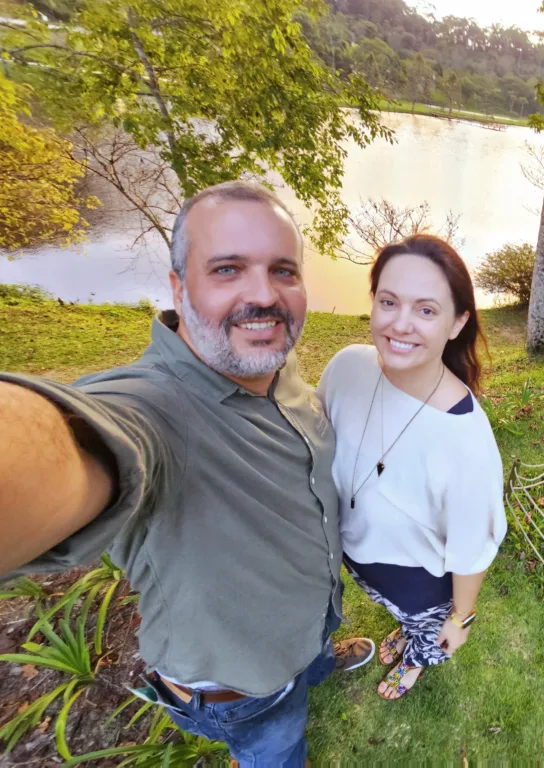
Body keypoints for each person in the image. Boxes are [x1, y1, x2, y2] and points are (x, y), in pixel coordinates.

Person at [0, 181, 374, 766]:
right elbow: (58, 449)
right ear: (178, 286)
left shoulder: (275, 363)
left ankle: (319, 658)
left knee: (313, 654)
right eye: (227, 269)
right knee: (279, 748)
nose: (264, 295)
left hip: (308, 617)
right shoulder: (152, 409)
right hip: (246, 693)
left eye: (284, 271)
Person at [317, 234, 507, 700]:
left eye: (426, 310)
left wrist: (460, 617)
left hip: (419, 583)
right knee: (401, 619)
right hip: (355, 560)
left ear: (458, 321)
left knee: (427, 630)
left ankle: (416, 660)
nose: (400, 324)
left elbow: (471, 551)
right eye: (388, 301)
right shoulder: (346, 368)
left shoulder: (466, 442)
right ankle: (404, 632)